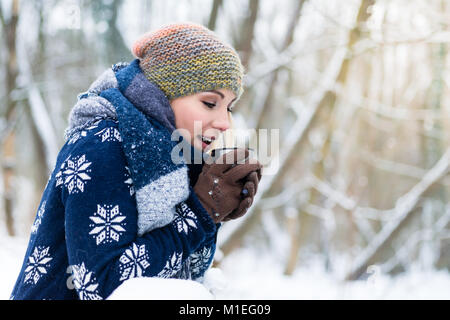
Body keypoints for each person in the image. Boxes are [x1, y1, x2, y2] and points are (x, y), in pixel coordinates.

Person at [10, 22, 262, 300]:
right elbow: (106, 287)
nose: (225, 123)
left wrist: (214, 214)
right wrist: (200, 212)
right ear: (165, 92)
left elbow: (178, 276)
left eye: (230, 107)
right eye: (210, 103)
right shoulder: (101, 145)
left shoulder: (178, 158)